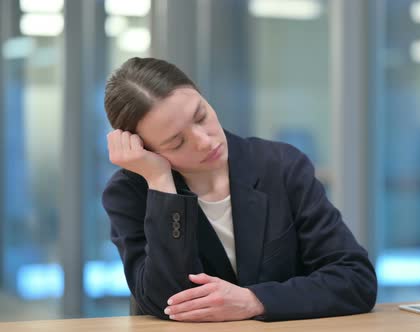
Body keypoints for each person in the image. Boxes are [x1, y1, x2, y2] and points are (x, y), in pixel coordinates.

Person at [101, 57, 377, 322]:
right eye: (176, 143)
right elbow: (168, 302)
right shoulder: (130, 194)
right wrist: (162, 184)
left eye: (201, 116)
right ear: (146, 149)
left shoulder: (280, 166)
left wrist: (253, 300)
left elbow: (355, 279)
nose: (204, 141)